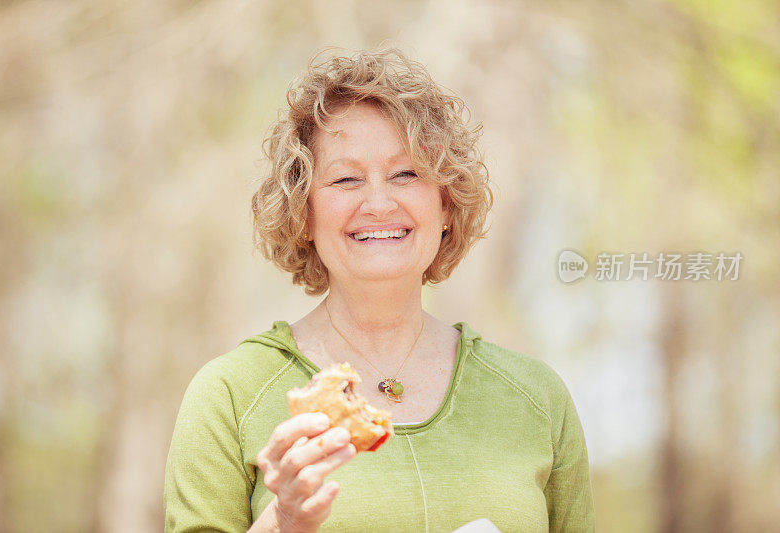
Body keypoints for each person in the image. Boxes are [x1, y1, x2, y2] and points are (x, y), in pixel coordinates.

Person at [164, 48, 594, 533]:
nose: (378, 203)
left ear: (446, 203)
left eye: (406, 174)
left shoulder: (536, 397)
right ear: (302, 213)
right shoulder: (229, 395)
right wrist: (284, 520)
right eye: (346, 179)